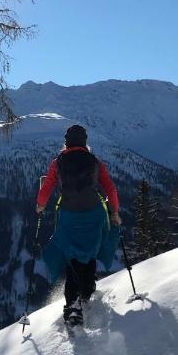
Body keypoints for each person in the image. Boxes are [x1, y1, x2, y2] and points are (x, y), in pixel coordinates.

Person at [36, 124, 121, 324]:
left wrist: (40, 206)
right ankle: (87, 292)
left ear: (66, 142)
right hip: (94, 215)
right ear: (85, 142)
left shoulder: (58, 163)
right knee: (90, 252)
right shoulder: (95, 162)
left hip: (69, 217)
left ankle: (73, 306)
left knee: (72, 258)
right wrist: (115, 213)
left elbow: (46, 189)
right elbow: (111, 189)